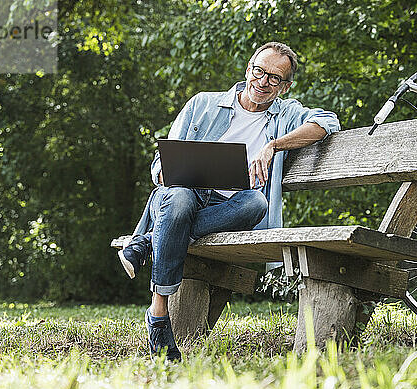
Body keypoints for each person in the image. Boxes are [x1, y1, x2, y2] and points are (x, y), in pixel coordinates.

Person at [118, 41, 340, 361]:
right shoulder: (204, 104)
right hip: (183, 193)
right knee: (178, 202)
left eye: (274, 78)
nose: (262, 82)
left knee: (256, 204)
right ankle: (159, 314)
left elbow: (326, 122)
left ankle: (148, 240)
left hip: (229, 206)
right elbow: (161, 164)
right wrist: (169, 173)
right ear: (248, 68)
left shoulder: (285, 113)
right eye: (258, 71)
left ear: (285, 86)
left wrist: (273, 146)